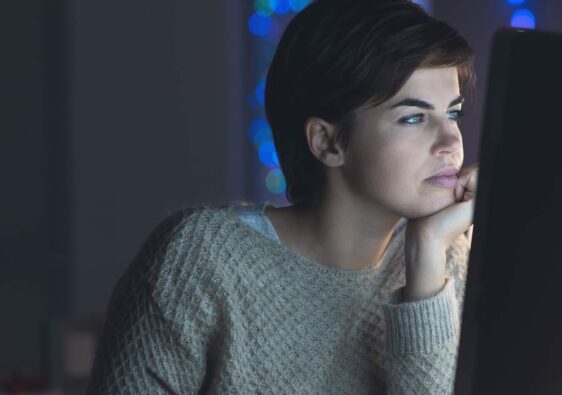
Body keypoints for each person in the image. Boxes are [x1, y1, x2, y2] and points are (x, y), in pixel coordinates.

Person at [86, 0, 477, 393]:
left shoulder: (445, 255)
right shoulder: (198, 260)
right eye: (413, 117)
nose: (451, 142)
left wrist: (426, 256)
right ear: (327, 143)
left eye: (454, 114)